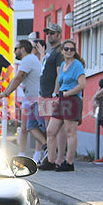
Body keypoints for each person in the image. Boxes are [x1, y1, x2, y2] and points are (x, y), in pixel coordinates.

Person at [0, 40, 46, 161]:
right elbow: (17, 78)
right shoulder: (29, 60)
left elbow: (18, 78)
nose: (14, 52)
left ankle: (44, 150)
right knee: (31, 127)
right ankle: (44, 149)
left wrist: (5, 93)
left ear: (22, 49)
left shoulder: (28, 60)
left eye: (16, 49)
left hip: (36, 100)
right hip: (32, 99)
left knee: (36, 127)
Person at [45, 40, 85, 172]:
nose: (69, 51)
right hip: (62, 99)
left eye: (72, 49)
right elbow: (59, 80)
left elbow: (82, 84)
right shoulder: (62, 64)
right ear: (62, 51)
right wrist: (57, 94)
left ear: (75, 51)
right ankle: (51, 161)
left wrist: (68, 93)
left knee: (70, 132)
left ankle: (69, 163)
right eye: (66, 49)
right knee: (51, 130)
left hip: (72, 99)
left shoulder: (77, 65)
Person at [38, 23, 67, 170]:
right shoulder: (51, 51)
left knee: (55, 128)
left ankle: (58, 158)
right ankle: (51, 157)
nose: (49, 35)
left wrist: (56, 92)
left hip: (51, 95)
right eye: (48, 33)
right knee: (49, 128)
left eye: (52, 33)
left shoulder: (59, 52)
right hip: (44, 94)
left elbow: (58, 74)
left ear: (59, 35)